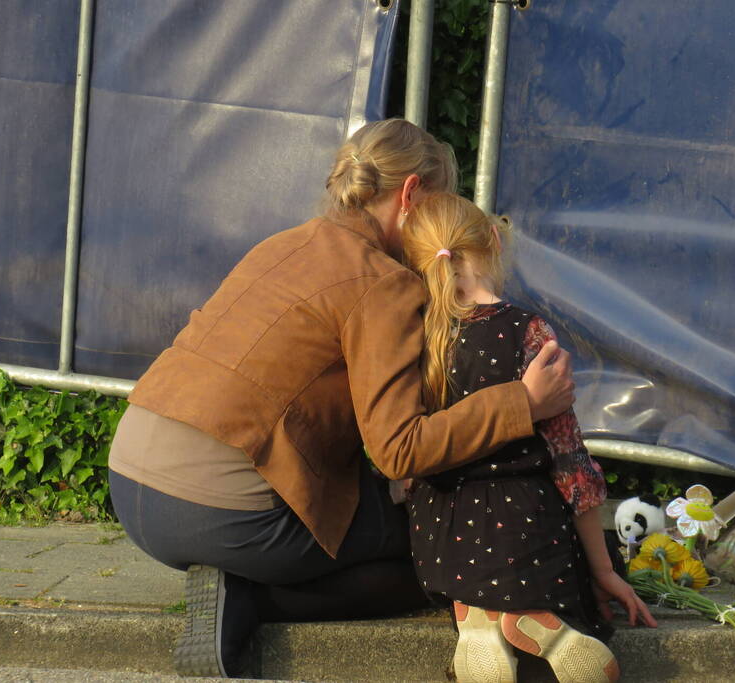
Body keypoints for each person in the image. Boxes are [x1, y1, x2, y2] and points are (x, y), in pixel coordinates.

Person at [107, 119, 575, 678]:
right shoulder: (384, 281)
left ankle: (243, 579)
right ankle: (250, 599)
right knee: (440, 543)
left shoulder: (285, 243)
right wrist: (522, 402)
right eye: (440, 202)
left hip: (132, 482)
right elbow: (400, 450)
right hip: (221, 514)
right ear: (411, 195)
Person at [400, 193, 656, 683]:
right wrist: (603, 571)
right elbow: (569, 462)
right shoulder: (528, 331)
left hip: (442, 533)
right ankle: (533, 617)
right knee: (567, 575)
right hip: (526, 523)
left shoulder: (416, 335)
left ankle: (477, 618)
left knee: (465, 562)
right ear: (494, 240)